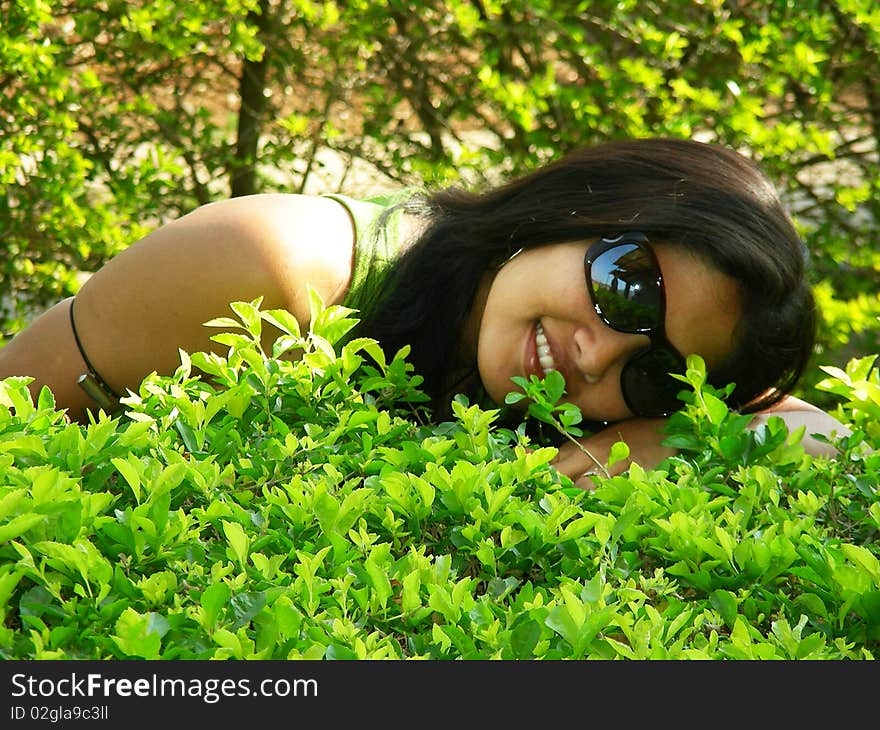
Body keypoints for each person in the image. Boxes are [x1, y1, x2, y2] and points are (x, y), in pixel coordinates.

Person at [0, 137, 848, 488]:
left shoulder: (594, 405)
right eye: (631, 287)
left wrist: (655, 431)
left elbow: (828, 437)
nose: (597, 358)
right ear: (578, 205)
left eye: (657, 373)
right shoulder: (274, 270)